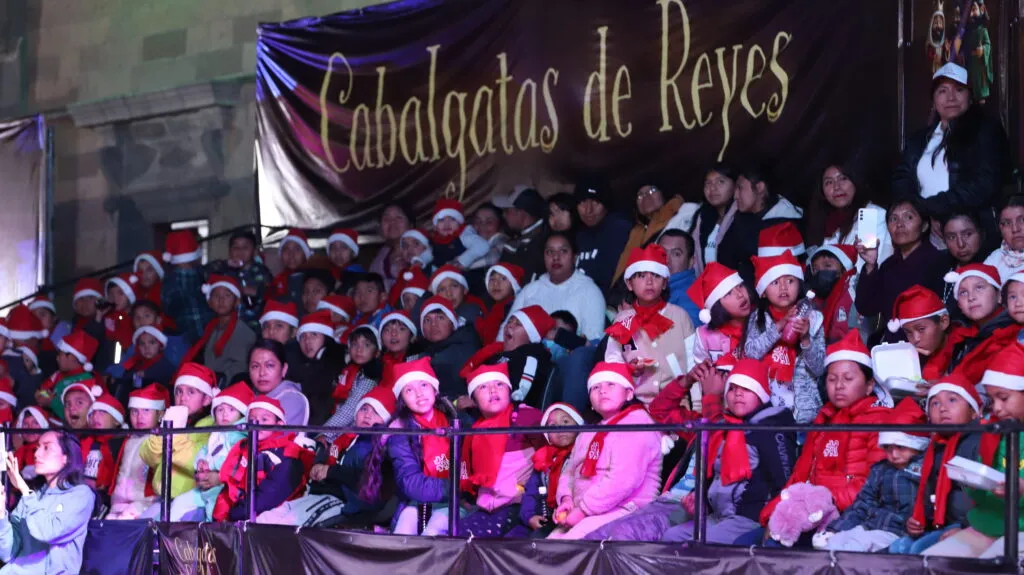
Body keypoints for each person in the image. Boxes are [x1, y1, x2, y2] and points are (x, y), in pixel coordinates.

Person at [761, 333, 893, 543]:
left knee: (776, 546)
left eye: (848, 378)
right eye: (832, 379)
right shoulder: (823, 422)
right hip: (813, 511)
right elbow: (800, 477)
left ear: (869, 386)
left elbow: (873, 486)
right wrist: (776, 511)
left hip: (850, 515)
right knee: (757, 537)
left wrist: (823, 502)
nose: (839, 385)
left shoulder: (879, 422)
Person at [661, 359, 797, 544]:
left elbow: (785, 481)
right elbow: (713, 473)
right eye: (732, 388)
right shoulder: (723, 427)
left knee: (702, 545)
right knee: (671, 537)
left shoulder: (770, 429)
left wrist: (774, 521)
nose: (738, 393)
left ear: (762, 394)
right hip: (718, 514)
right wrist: (697, 496)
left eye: (747, 388)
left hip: (748, 518)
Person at [923, 344, 1024, 558]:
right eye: (992, 399)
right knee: (932, 561)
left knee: (996, 564)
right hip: (987, 523)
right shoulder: (994, 433)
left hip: (1020, 528)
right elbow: (984, 498)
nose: (995, 408)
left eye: (1003, 398)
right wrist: (973, 482)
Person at [892, 62, 1009, 242]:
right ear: (934, 100)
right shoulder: (918, 140)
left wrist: (934, 209)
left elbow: (984, 183)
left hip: (970, 233)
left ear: (970, 96)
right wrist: (919, 213)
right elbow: (902, 179)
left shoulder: (986, 131)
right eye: (942, 91)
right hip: (925, 233)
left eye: (959, 90)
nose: (951, 98)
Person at [548, 362, 662, 539]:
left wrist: (583, 510)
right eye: (595, 387)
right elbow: (569, 472)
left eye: (611, 384)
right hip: (585, 511)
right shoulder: (588, 433)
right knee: (549, 545)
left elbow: (622, 480)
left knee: (568, 546)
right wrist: (566, 500)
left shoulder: (637, 424)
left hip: (625, 510)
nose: (602, 390)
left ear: (629, 393)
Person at [260, 386, 396, 527]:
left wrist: (330, 472)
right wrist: (317, 466)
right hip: (320, 493)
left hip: (341, 502)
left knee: (281, 525)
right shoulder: (346, 438)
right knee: (267, 518)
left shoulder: (375, 448)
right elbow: (328, 458)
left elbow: (365, 481)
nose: (367, 415)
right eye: (364, 409)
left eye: (376, 412)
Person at [821, 401, 928, 552]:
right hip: (871, 525)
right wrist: (835, 528)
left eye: (901, 447)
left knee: (855, 546)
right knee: (834, 541)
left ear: (918, 446)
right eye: (888, 449)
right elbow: (863, 504)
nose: (894, 455)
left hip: (899, 532)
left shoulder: (926, 469)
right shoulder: (880, 470)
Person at [890, 374, 981, 554]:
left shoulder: (979, 442)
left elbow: (985, 499)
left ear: (974, 412)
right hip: (944, 524)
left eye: (952, 400)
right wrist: (916, 520)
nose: (943, 408)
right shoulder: (935, 448)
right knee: (898, 547)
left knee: (918, 550)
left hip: (973, 524)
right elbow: (928, 492)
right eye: (935, 403)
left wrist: (965, 527)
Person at [456, 364, 541, 537]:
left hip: (520, 505)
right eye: (483, 387)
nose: (493, 390)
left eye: (499, 384)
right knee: (454, 534)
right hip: (486, 507)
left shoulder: (526, 417)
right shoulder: (474, 431)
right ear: (473, 400)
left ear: (509, 391)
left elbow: (548, 460)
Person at [605, 245, 696, 404]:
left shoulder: (680, 316)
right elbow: (613, 361)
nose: (649, 281)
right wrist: (630, 370)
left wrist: (696, 405)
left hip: (677, 401)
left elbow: (694, 363)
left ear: (665, 282)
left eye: (656, 275)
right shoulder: (622, 321)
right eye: (640, 276)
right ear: (629, 284)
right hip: (634, 401)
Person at [742, 251, 826, 424]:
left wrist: (805, 339)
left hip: (804, 414)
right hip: (766, 410)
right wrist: (779, 326)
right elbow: (750, 354)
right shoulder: (758, 318)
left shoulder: (813, 318)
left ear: (799, 285)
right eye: (774, 282)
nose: (783, 288)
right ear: (763, 292)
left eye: (790, 281)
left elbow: (819, 368)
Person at [0, 431, 95, 575]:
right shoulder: (33, 496)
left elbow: (48, 532)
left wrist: (25, 490)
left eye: (46, 448)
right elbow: (7, 553)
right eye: (37, 447)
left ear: (67, 457)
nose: (37, 453)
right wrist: (1, 513)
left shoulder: (81, 495)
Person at [384, 358, 457, 535]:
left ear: (434, 389)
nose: (419, 394)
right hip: (419, 500)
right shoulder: (401, 432)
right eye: (409, 389)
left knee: (435, 530)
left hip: (457, 503)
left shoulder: (457, 422)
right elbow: (410, 483)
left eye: (424, 385)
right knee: (405, 525)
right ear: (402, 398)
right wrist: (457, 488)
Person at [856, 197, 946, 333]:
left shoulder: (938, 261)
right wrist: (870, 265)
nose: (899, 224)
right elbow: (866, 308)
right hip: (892, 344)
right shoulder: (888, 266)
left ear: (924, 226)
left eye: (908, 217)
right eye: (893, 219)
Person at [138, 363, 216, 520]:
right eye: (179, 391)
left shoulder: (211, 425)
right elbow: (147, 455)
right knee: (140, 531)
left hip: (194, 502)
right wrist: (165, 432)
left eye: (191, 392)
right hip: (162, 499)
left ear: (207, 399)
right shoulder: (173, 419)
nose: (182, 398)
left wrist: (175, 437)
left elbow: (199, 462)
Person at [213, 396, 309, 521]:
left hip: (274, 520)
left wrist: (233, 515)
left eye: (264, 419)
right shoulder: (242, 449)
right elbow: (229, 488)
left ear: (279, 425)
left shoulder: (287, 455)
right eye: (252, 419)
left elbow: (267, 498)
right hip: (240, 516)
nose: (257, 423)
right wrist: (219, 520)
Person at [168, 382, 251, 522]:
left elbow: (235, 458)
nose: (225, 414)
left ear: (241, 413)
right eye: (220, 410)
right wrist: (200, 462)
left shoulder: (239, 434)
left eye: (231, 410)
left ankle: (211, 542)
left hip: (224, 490)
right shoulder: (216, 433)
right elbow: (205, 450)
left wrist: (214, 468)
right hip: (205, 487)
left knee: (215, 514)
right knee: (179, 503)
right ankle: (166, 536)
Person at [507, 233, 606, 342]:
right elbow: (505, 334)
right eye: (550, 252)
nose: (556, 257)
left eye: (563, 251)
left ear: (575, 257)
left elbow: (592, 345)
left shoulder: (590, 291)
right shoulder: (529, 290)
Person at [714, 166, 803, 284]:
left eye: (740, 188)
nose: (735, 196)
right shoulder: (740, 218)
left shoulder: (785, 225)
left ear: (760, 187)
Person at [461, 305, 556, 410]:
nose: (510, 326)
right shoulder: (495, 354)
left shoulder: (532, 359)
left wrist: (476, 403)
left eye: (518, 324)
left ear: (531, 336)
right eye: (509, 321)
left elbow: (518, 396)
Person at [510, 402, 583, 538]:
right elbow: (531, 492)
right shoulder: (544, 459)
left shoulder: (582, 454)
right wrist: (529, 516)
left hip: (573, 516)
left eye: (566, 421)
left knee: (538, 539)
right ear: (547, 435)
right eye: (553, 426)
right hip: (545, 516)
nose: (560, 428)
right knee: (512, 538)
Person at [805, 160, 892, 268]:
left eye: (843, 179)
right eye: (829, 182)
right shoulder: (828, 222)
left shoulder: (869, 216)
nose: (837, 187)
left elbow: (864, 268)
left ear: (855, 181)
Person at [942, 264, 1017, 384]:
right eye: (963, 293)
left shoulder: (1011, 334)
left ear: (999, 296)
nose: (971, 297)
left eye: (979, 288)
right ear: (960, 306)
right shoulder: (962, 336)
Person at [179, 274, 257, 385]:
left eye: (227, 295)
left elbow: (240, 368)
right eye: (216, 296)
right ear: (209, 302)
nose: (221, 300)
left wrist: (216, 383)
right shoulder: (211, 328)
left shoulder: (243, 332)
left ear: (237, 301)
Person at [107, 384, 170, 520]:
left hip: (146, 503)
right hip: (119, 502)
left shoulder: (159, 440)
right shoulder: (129, 439)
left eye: (146, 411)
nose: (139, 417)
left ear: (160, 414)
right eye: (134, 411)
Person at [612, 184, 684, 285]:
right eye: (640, 195)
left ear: (663, 193)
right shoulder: (636, 231)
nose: (646, 196)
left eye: (652, 190)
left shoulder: (678, 216)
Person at [417, 296, 481, 407]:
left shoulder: (463, 347)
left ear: (452, 323)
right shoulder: (425, 351)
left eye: (440, 318)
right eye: (427, 320)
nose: (434, 324)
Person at [205, 229, 272, 332]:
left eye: (245, 247)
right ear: (229, 251)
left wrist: (257, 291)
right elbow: (201, 273)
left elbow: (273, 293)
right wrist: (225, 263)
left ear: (254, 251)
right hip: (227, 328)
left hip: (255, 328)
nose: (240, 251)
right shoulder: (223, 270)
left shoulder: (262, 271)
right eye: (236, 247)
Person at [688, 263, 753, 365]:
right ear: (717, 305)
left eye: (740, 286)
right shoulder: (704, 336)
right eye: (728, 293)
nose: (740, 294)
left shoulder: (763, 322)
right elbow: (702, 373)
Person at [574, 180, 633, 292]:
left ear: (606, 205)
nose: (588, 210)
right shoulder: (580, 236)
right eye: (582, 202)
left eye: (595, 202)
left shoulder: (619, 230)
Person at [290, 311, 346, 426]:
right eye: (303, 337)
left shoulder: (337, 359)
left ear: (326, 337)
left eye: (314, 335)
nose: (307, 341)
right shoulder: (301, 363)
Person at [161, 229, 212, 345]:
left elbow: (168, 310)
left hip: (187, 341)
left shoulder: (168, 282)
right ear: (196, 256)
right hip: (205, 339)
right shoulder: (202, 274)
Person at [108, 326, 176, 408]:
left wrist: (146, 374)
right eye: (142, 344)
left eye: (152, 342)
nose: (146, 347)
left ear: (160, 345)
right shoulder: (135, 366)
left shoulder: (167, 367)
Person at [939, 211, 988, 322]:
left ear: (981, 233)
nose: (961, 244)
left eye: (967, 234)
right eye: (951, 237)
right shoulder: (939, 267)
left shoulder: (992, 267)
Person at [494, 186, 550, 283]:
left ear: (521, 213)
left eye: (507, 211)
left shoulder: (545, 242)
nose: (504, 215)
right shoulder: (520, 240)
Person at [248, 339, 310, 426]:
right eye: (255, 366)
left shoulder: (292, 399)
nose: (262, 373)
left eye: (269, 365)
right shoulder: (248, 396)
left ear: (284, 369)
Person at [691, 163, 738, 272]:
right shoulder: (701, 218)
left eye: (720, 181)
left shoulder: (742, 217)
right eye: (708, 183)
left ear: (735, 185)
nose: (712, 188)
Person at [809, 244, 861, 344]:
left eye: (827, 266)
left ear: (844, 269)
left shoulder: (854, 289)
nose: (821, 272)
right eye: (815, 269)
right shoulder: (813, 299)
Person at [81, 393, 127, 496]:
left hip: (106, 495)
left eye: (102, 413)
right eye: (92, 414)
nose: (95, 417)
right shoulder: (85, 442)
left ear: (116, 421)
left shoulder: (121, 444)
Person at [427, 199, 490, 269]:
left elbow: (483, 245)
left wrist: (462, 260)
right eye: (441, 220)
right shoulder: (434, 240)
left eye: (452, 219)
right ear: (435, 227)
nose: (447, 224)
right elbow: (428, 254)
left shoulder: (463, 235)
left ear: (459, 224)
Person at [658, 229, 701, 326]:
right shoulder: (647, 284)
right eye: (662, 252)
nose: (667, 260)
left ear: (691, 261)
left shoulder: (691, 298)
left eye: (676, 254)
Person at [475, 263, 525, 344]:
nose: (496, 284)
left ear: (513, 285)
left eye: (503, 278)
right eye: (492, 279)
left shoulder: (509, 308)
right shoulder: (487, 305)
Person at [370, 203, 415, 291]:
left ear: (411, 225)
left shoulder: (423, 251)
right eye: (386, 219)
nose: (392, 222)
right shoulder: (379, 259)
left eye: (398, 218)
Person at [266, 229, 312, 308]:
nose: (291, 254)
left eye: (297, 249)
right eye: (286, 249)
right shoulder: (278, 279)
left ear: (305, 254)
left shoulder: (312, 278)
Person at [984, 195, 1024, 282]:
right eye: (1007, 223)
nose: (1015, 229)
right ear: (1000, 228)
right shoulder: (994, 260)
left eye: (1022, 220)